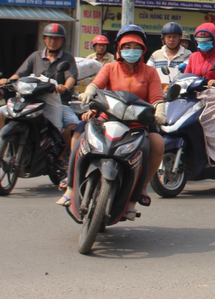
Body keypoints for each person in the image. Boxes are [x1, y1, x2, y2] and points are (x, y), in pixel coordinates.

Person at [60, 25, 165, 219]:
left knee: (156, 144)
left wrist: (160, 111)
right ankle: (70, 186)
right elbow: (96, 84)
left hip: (137, 122)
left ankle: (140, 190)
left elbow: (156, 98)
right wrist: (89, 93)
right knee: (79, 135)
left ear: (142, 49)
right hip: (107, 117)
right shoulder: (109, 67)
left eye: (136, 46)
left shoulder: (150, 72)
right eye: (127, 46)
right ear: (119, 49)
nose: (131, 50)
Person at [0, 23, 79, 145]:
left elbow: (71, 77)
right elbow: (19, 74)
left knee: (72, 125)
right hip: (34, 100)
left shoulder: (67, 58)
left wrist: (65, 87)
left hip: (58, 102)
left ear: (62, 40)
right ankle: (6, 146)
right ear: (44, 39)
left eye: (56, 38)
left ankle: (61, 159)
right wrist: (7, 81)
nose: (52, 41)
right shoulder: (35, 56)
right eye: (50, 38)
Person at [180, 22, 215, 194]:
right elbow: (186, 74)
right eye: (200, 40)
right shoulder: (193, 57)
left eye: (207, 39)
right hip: (195, 98)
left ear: (214, 39)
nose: (203, 43)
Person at [147, 22, 192, 86]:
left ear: (180, 38)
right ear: (163, 38)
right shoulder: (155, 55)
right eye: (169, 37)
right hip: (159, 92)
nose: (171, 39)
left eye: (174, 37)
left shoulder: (188, 54)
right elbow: (148, 74)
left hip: (180, 92)